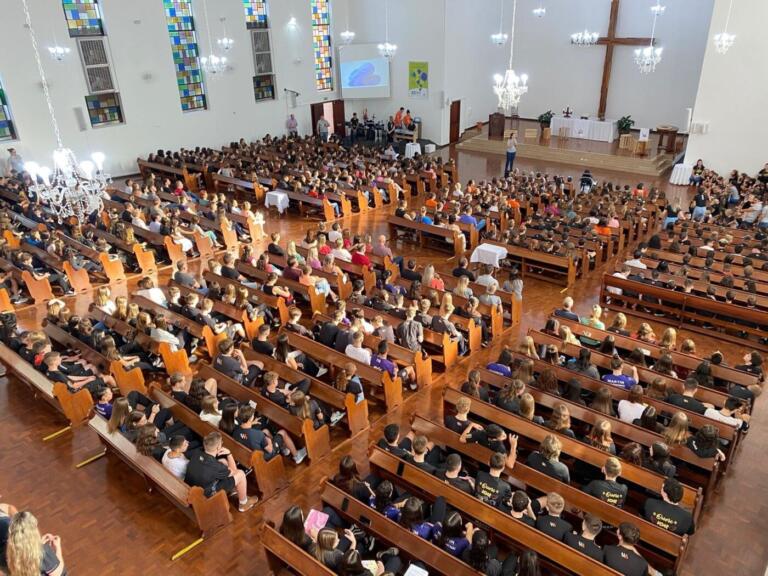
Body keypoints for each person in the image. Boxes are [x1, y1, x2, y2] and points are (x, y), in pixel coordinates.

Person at [5, 510, 66, 576]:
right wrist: (58, 548)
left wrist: (39, 544)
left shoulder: (12, 552)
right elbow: (60, 573)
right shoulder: (44, 553)